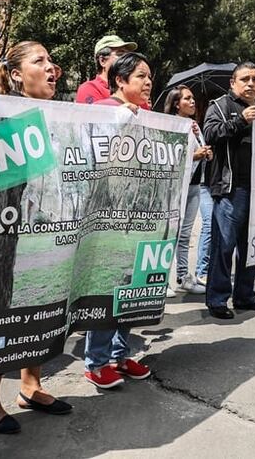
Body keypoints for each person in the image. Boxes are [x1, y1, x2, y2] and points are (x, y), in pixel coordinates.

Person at [0, 41, 73, 434]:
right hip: (4, 232)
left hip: (48, 230)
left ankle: (31, 385)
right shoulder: (3, 112)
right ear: (16, 75)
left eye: (52, 61)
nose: (51, 68)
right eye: (40, 62)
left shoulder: (62, 113)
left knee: (44, 300)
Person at [80, 52, 157, 388]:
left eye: (150, 76)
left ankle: (120, 356)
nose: (147, 82)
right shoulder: (101, 111)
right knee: (108, 286)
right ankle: (96, 362)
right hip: (108, 216)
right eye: (140, 76)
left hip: (140, 213)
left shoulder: (149, 115)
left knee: (132, 285)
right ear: (120, 80)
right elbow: (88, 155)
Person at [202, 62, 255, 319]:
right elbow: (209, 134)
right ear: (233, 83)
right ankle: (218, 299)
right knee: (225, 246)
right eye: (245, 79)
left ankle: (245, 295)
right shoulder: (219, 106)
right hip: (232, 189)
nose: (250, 83)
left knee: (253, 245)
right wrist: (240, 122)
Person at [161, 85, 212, 295]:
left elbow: (199, 149)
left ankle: (183, 277)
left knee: (184, 235)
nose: (192, 102)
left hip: (194, 186)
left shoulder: (194, 126)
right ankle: (160, 280)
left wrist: (206, 153)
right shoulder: (170, 125)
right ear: (176, 103)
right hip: (175, 187)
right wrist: (195, 156)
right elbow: (169, 158)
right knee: (168, 234)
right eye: (187, 99)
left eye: (192, 98)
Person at [75, 34, 137, 105]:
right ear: (103, 61)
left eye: (128, 56)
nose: (127, 60)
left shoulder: (134, 90)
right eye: (120, 55)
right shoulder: (89, 89)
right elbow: (94, 114)